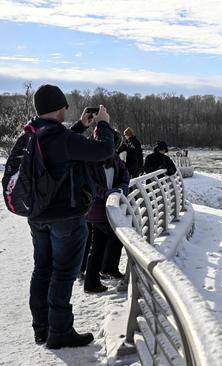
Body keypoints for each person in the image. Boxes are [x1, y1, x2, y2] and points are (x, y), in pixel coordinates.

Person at [22, 85, 114, 349]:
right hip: (65, 218)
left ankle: (42, 328)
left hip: (38, 216)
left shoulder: (34, 132)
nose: (66, 110)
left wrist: (80, 127)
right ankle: (60, 331)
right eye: (64, 106)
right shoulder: (60, 138)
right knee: (62, 273)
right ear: (57, 106)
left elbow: (60, 151)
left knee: (42, 271)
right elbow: (103, 151)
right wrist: (104, 125)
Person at [84, 129, 130, 293]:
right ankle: (98, 276)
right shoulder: (89, 160)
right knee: (102, 244)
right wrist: (106, 193)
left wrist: (123, 187)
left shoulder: (114, 158)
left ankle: (101, 275)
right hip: (96, 210)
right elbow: (89, 184)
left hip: (111, 208)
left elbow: (125, 174)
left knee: (102, 243)